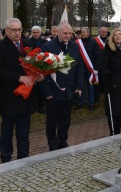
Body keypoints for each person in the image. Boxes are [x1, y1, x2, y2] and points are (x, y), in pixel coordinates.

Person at [0, 18, 38, 163]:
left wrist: (38, 75)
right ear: (6, 31)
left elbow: (35, 65)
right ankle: (6, 157)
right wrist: (19, 78)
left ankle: (23, 156)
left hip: (26, 95)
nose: (17, 33)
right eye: (14, 30)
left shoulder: (29, 44)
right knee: (7, 131)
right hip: (9, 95)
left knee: (24, 131)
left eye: (19, 30)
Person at [40, 22, 83, 151]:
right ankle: (53, 145)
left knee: (65, 120)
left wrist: (79, 87)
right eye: (65, 33)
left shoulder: (74, 46)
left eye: (70, 33)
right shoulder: (48, 46)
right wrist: (47, 92)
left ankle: (63, 142)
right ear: (57, 32)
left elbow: (79, 67)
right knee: (52, 121)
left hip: (69, 91)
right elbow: (41, 71)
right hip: (53, 92)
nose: (68, 36)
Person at [75, 27, 101, 110]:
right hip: (79, 69)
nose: (82, 33)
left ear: (88, 33)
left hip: (90, 69)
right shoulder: (77, 43)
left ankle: (91, 104)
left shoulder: (93, 43)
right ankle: (79, 103)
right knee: (79, 86)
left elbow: (98, 56)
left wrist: (96, 69)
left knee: (90, 87)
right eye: (81, 32)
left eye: (84, 32)